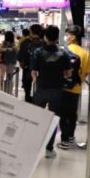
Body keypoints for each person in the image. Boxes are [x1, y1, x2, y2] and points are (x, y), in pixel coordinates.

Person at [31, 25, 72, 159]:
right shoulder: (64, 53)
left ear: (45, 36)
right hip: (57, 90)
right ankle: (49, 149)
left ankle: (33, 148)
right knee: (53, 120)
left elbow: (34, 72)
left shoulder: (38, 52)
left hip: (41, 89)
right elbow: (67, 73)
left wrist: (37, 80)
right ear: (58, 36)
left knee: (36, 119)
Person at [57, 25, 90, 150]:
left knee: (62, 114)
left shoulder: (63, 51)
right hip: (76, 88)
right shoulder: (85, 53)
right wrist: (80, 80)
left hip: (63, 88)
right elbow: (87, 72)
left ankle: (65, 141)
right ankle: (71, 136)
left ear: (72, 37)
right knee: (72, 114)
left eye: (67, 35)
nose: (66, 37)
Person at [18, 24, 45, 103]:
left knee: (27, 88)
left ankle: (28, 99)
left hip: (28, 69)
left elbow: (20, 57)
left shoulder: (25, 43)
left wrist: (22, 63)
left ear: (31, 31)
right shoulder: (44, 43)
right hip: (41, 71)